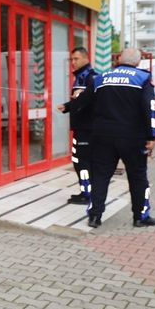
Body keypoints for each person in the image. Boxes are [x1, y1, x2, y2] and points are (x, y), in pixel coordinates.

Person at [70, 47, 155, 228]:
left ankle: (94, 217)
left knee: (100, 176)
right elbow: (150, 108)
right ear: (138, 62)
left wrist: (67, 105)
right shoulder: (142, 78)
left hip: (102, 137)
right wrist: (152, 136)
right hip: (133, 138)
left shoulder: (101, 78)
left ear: (119, 60)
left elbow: (84, 100)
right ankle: (140, 216)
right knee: (138, 177)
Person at [56, 47, 96, 205]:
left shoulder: (91, 77)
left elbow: (89, 101)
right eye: (72, 59)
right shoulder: (80, 77)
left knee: (82, 161)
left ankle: (88, 194)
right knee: (79, 161)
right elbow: (80, 101)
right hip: (81, 128)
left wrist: (73, 102)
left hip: (87, 128)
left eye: (76, 59)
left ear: (86, 58)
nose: (73, 62)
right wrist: (67, 106)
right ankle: (85, 192)